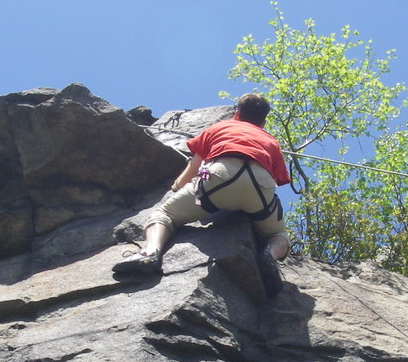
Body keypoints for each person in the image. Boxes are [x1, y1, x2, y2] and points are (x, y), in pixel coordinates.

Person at [114, 93, 291, 293]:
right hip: (260, 185)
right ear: (263, 122)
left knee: (163, 214)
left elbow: (193, 167)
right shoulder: (272, 142)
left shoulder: (220, 127)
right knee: (278, 234)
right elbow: (277, 179)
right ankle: (269, 255)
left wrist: (176, 186)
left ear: (236, 113)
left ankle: (150, 253)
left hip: (220, 176)